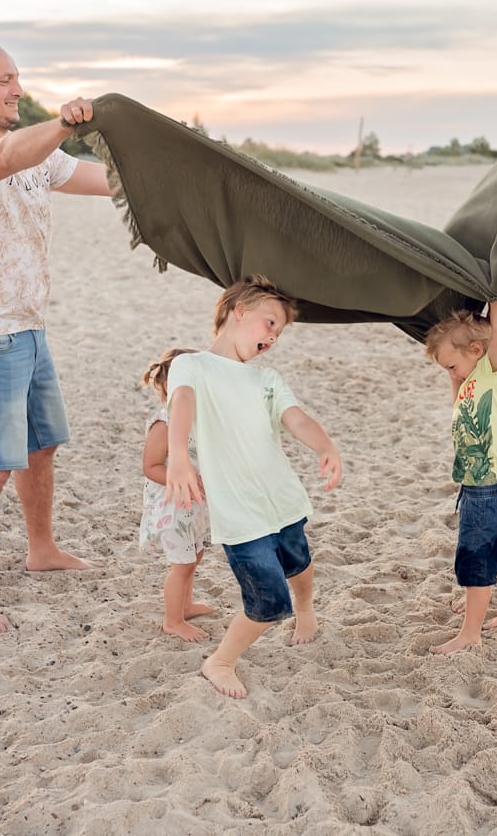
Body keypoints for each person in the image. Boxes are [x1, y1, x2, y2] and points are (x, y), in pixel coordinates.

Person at [0, 40, 113, 634]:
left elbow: (103, 180)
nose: (16, 89)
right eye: (4, 79)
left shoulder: (39, 155)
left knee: (41, 447)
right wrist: (61, 123)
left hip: (28, 324)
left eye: (18, 79)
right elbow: (6, 157)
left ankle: (42, 549)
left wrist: (166, 174)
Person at [165, 275, 342, 698]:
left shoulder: (266, 379)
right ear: (238, 310)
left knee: (299, 562)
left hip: (280, 498)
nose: (274, 336)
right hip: (239, 514)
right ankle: (220, 662)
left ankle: (306, 611)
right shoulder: (192, 365)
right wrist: (177, 455)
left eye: (279, 331)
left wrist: (326, 445)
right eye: (269, 323)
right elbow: (183, 402)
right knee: (267, 601)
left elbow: (296, 418)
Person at [424, 298, 497, 655]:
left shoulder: (495, 369)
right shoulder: (470, 380)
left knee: (477, 554)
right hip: (478, 484)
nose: (452, 372)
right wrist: (452, 373)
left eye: (453, 365)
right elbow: (457, 402)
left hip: (489, 487)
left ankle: (470, 632)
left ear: (476, 349)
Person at [139, 348, 214, 642]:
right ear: (171, 386)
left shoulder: (197, 419)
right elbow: (150, 466)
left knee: (194, 555)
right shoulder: (164, 424)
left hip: (194, 504)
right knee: (181, 564)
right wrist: (183, 480)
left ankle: (186, 604)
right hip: (173, 505)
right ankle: (173, 620)